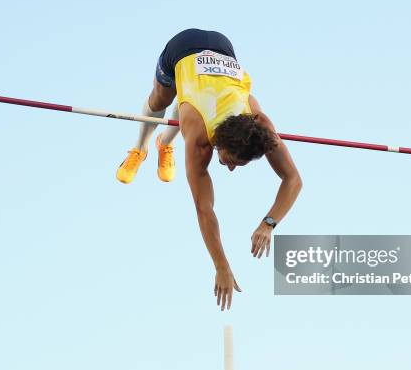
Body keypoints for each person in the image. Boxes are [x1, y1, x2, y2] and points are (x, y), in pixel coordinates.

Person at [117, 28, 302, 310]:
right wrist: (222, 266)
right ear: (219, 143)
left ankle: (164, 145)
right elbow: (205, 210)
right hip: (183, 48)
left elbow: (293, 179)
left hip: (222, 53)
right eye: (231, 161)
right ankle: (141, 148)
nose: (229, 169)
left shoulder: (260, 125)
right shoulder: (200, 143)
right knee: (162, 100)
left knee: (190, 101)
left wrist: (269, 224)